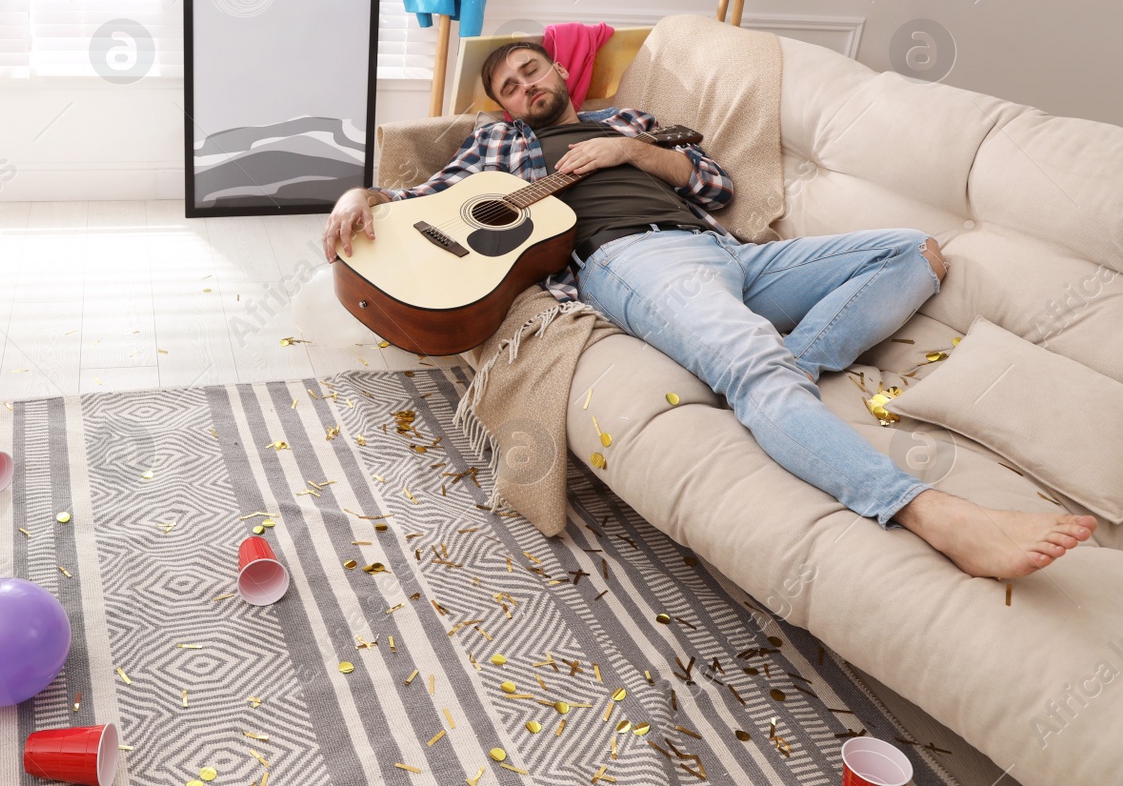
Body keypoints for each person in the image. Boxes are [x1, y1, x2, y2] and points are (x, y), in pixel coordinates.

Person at [322, 40, 1096, 579]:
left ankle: (790, 373)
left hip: (732, 252)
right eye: (512, 90)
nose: (527, 90)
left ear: (558, 67)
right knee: (749, 360)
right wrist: (359, 193)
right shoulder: (502, 148)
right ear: (505, 107)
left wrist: (633, 153)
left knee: (916, 252)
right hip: (634, 262)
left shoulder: (624, 122)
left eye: (532, 72)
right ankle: (930, 511)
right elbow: (414, 200)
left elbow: (717, 188)